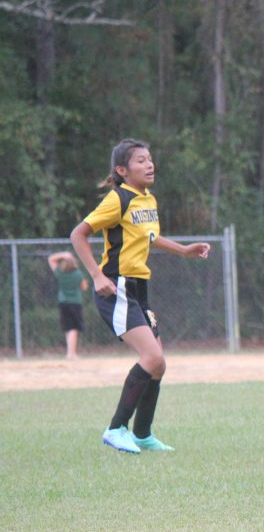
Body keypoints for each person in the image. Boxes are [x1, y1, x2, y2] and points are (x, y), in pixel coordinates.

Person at [70, 138, 211, 454]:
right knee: (153, 358)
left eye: (150, 159)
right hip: (115, 287)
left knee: (158, 364)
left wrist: (183, 251)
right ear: (122, 170)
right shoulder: (117, 199)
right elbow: (78, 234)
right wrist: (95, 276)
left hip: (138, 289)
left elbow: (150, 236)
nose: (149, 165)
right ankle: (115, 429)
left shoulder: (147, 199)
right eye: (140, 161)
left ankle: (143, 434)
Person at [47, 251, 88, 359]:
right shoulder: (78, 274)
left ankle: (69, 352)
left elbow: (51, 259)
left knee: (68, 328)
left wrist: (63, 254)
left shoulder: (60, 273)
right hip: (75, 303)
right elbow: (84, 287)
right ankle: (72, 353)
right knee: (74, 328)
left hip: (63, 302)